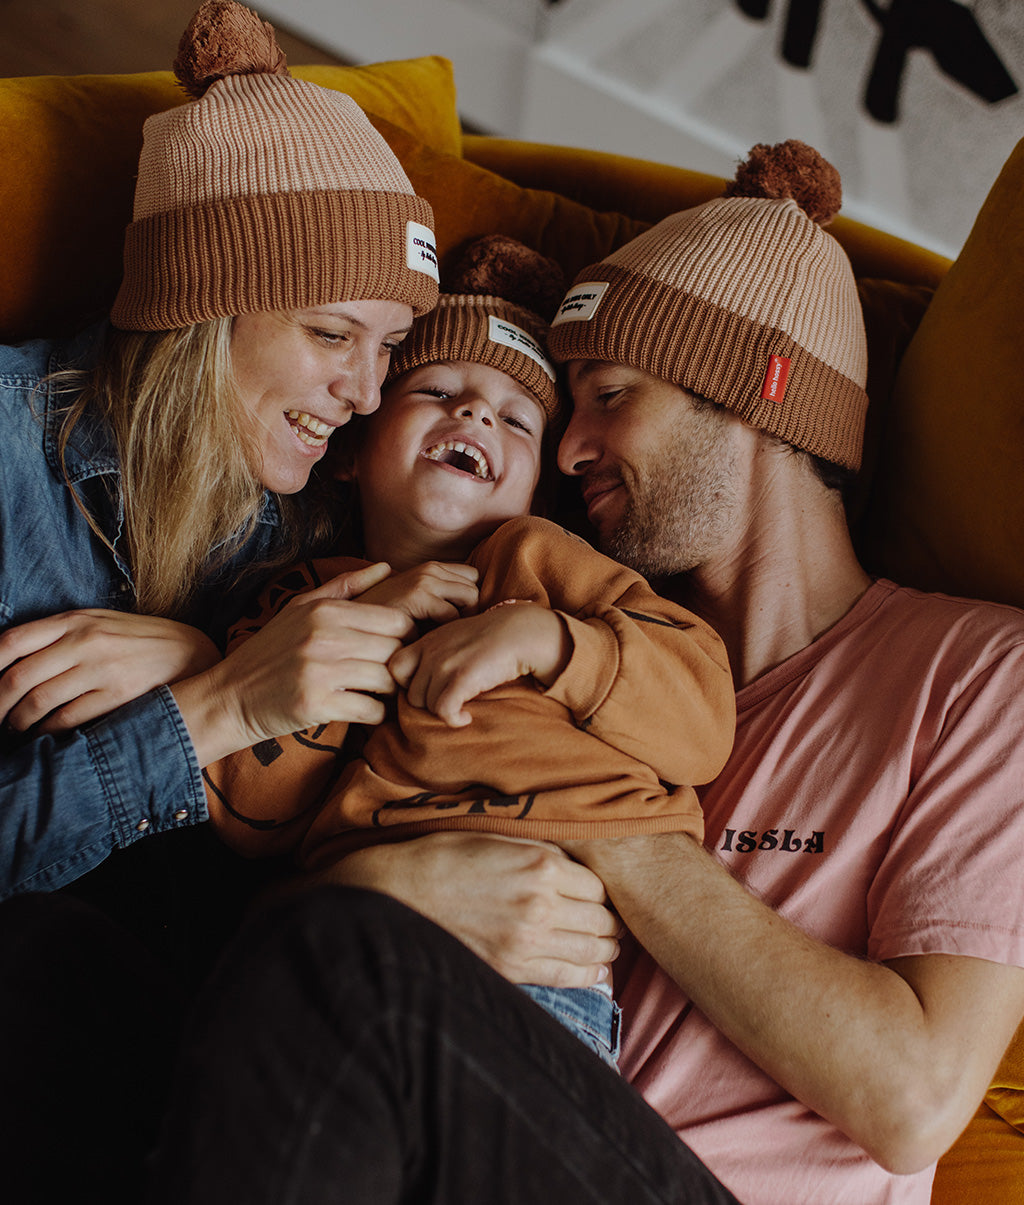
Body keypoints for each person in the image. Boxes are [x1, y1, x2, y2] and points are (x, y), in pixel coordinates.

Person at [144, 140, 1024, 1205]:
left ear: (756, 387)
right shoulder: (537, 609)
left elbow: (913, 1098)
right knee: (58, 960)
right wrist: (210, 684)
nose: (568, 450)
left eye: (608, 394)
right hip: (460, 1129)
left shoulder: (978, 673)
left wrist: (597, 813)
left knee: (347, 958)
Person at [203, 236, 735, 1063]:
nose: (476, 414)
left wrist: (557, 643)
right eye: (438, 390)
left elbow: (700, 715)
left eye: (516, 418)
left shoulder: (546, 563)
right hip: (356, 928)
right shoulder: (303, 596)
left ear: (536, 489)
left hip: (542, 955)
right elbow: (250, 813)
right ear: (350, 452)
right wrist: (360, 634)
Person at [0, 0, 439, 901]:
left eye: (390, 346)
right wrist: (218, 705)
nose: (365, 396)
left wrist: (204, 657)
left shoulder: (325, 510)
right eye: (330, 333)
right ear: (199, 309)